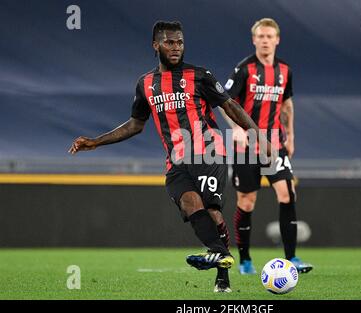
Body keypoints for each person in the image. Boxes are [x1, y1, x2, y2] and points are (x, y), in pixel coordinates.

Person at [68, 21, 271, 292]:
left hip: (208, 151)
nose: (176, 48)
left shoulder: (200, 76)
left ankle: (222, 277)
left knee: (212, 212)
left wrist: (258, 135)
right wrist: (96, 141)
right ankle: (221, 255)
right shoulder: (146, 84)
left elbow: (230, 106)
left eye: (180, 43)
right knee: (189, 203)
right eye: (170, 42)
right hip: (175, 160)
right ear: (156, 45)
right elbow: (135, 124)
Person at [220, 18, 313, 275]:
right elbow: (224, 102)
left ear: (277, 39)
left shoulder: (285, 70)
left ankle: (292, 257)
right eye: (260, 36)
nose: (265, 40)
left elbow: (286, 105)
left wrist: (291, 136)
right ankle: (245, 259)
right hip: (246, 146)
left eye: (269, 36)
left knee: (287, 193)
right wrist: (236, 128)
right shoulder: (244, 69)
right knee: (247, 203)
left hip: (274, 145)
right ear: (254, 40)